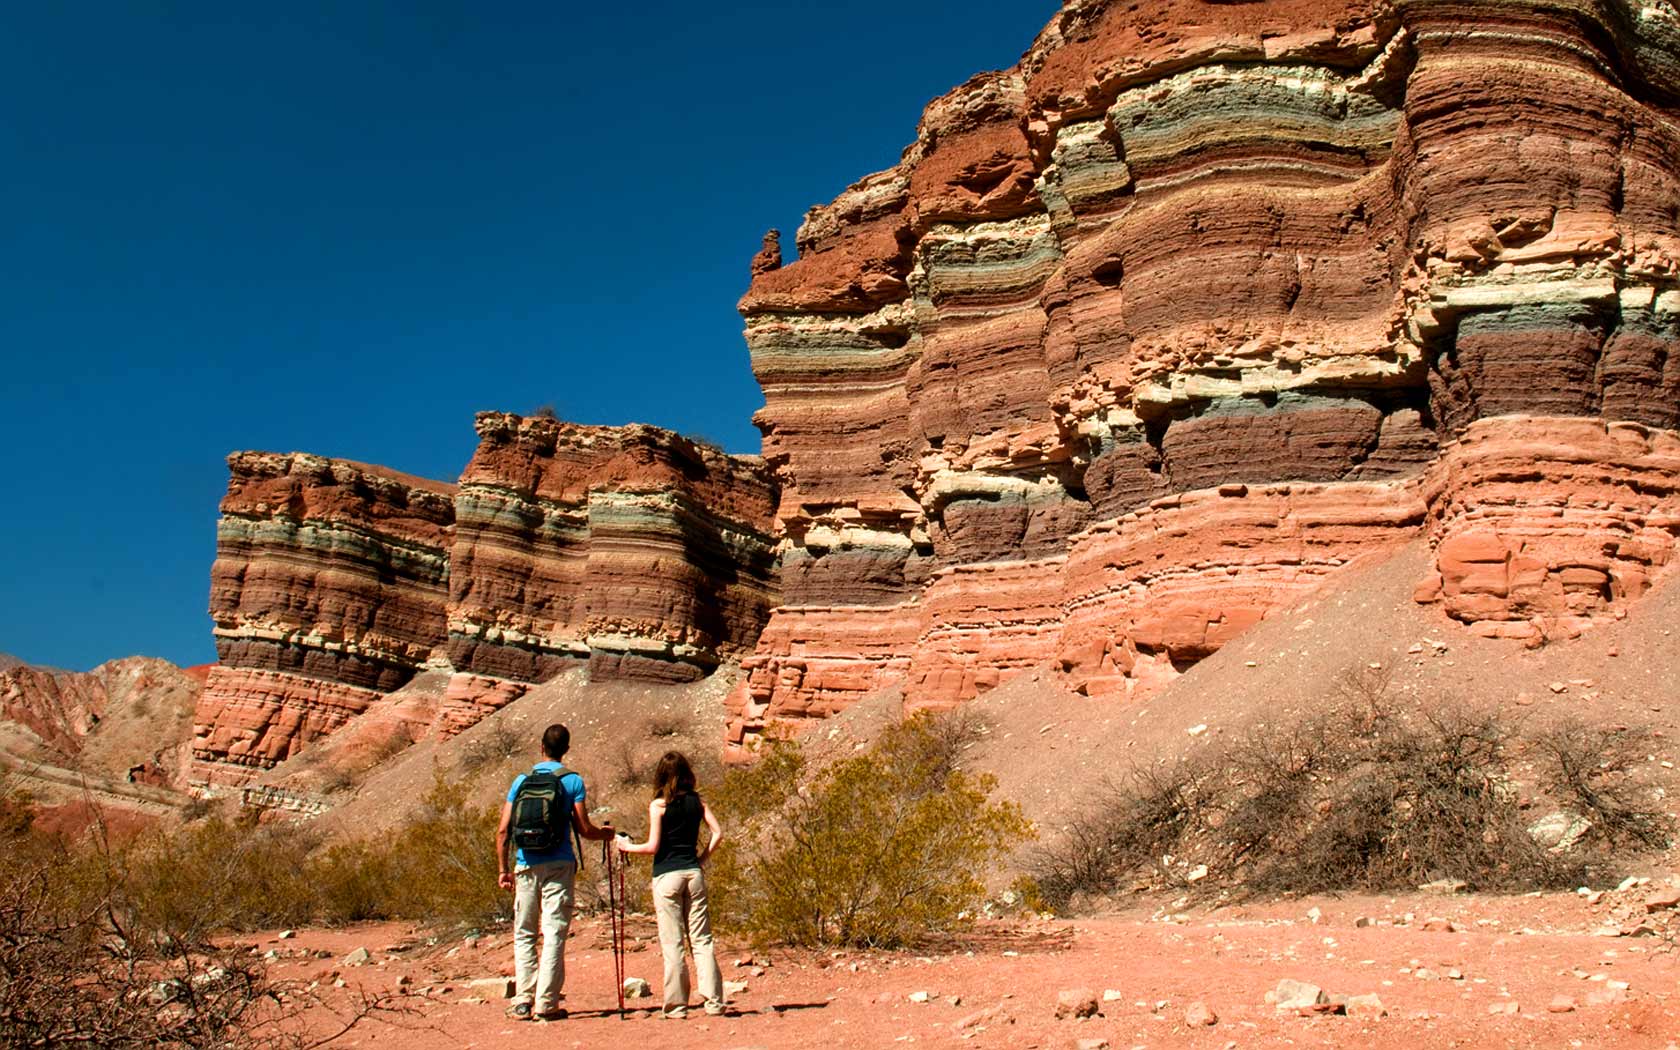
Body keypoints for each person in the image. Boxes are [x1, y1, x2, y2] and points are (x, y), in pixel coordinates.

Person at [496, 723, 614, 1022]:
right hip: (560, 864)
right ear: (567, 749)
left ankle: (523, 1000)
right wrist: (607, 835)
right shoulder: (572, 781)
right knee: (554, 933)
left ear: (541, 747)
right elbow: (584, 829)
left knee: (524, 933)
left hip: (525, 864)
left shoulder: (521, 781)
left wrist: (503, 869)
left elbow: (502, 830)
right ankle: (546, 1004)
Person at [614, 750, 726, 1019]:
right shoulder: (698, 802)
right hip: (693, 873)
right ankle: (714, 1003)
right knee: (702, 940)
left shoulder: (659, 805)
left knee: (673, 942)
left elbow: (653, 846)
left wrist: (627, 847)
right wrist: (701, 859)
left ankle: (677, 1006)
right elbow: (718, 832)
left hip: (667, 877)